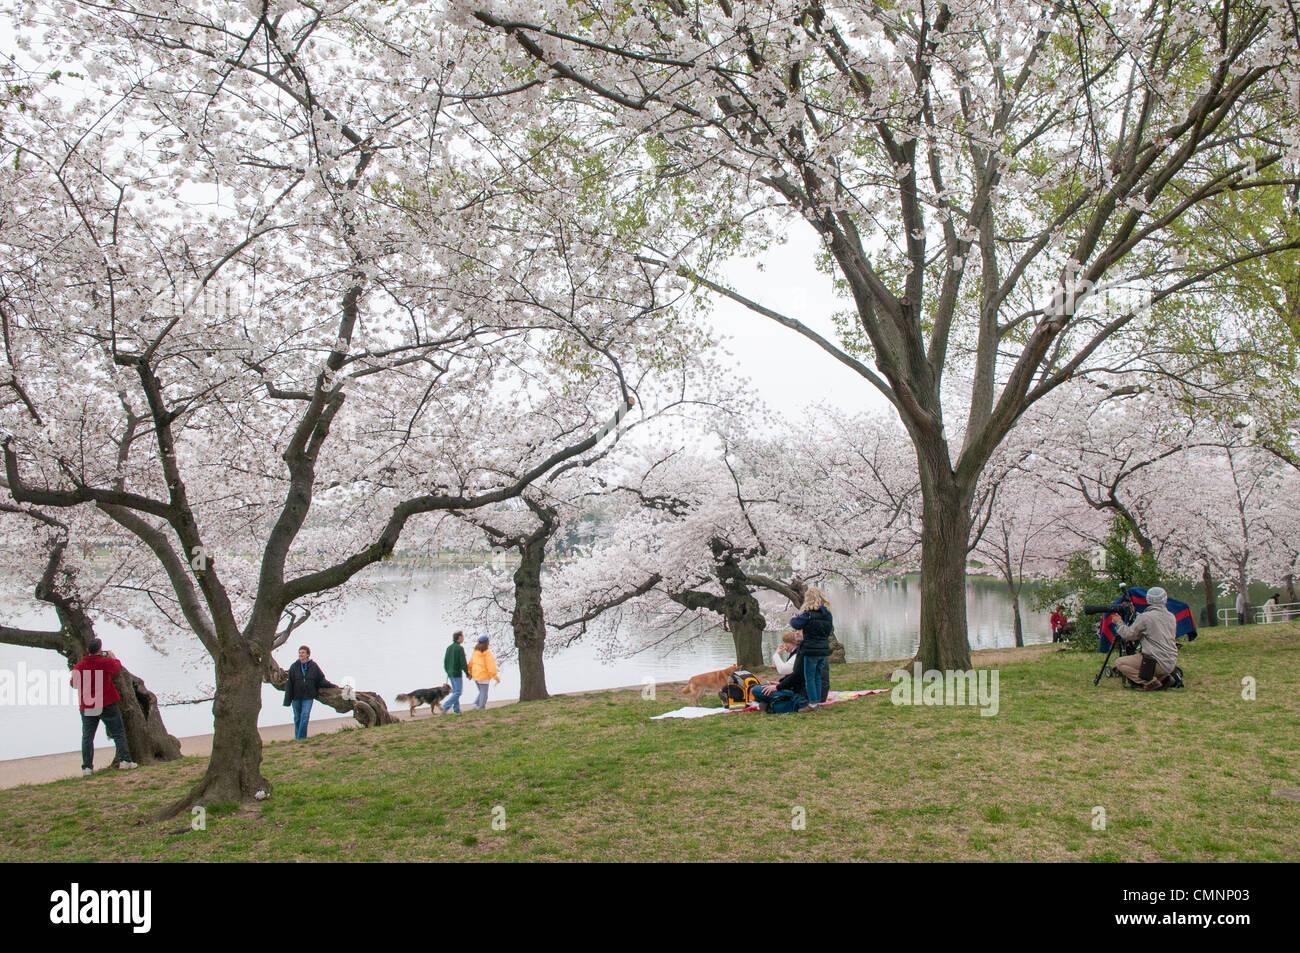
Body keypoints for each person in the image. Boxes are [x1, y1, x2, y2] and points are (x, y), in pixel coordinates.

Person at [71, 638, 137, 774]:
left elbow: (74, 684)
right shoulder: (105, 662)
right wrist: (114, 658)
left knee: (88, 737)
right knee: (118, 732)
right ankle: (125, 761)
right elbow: (117, 668)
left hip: (88, 705)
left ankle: (87, 767)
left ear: (87, 651)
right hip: (106, 702)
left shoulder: (79, 666)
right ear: (100, 649)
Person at [1109, 585, 1179, 690]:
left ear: (1148, 599)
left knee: (1120, 662)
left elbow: (1129, 635)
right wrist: (1135, 614)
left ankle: (1150, 682)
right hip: (1170, 662)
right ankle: (1164, 677)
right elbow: (1152, 626)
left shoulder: (1145, 617)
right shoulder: (1171, 616)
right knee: (1143, 660)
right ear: (1164, 599)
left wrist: (1119, 623)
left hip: (1154, 662)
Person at [789, 587, 834, 711]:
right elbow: (830, 631)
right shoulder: (827, 615)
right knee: (818, 676)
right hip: (823, 650)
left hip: (810, 649)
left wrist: (793, 618)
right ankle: (817, 700)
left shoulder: (808, 615)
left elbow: (796, 624)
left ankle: (813, 704)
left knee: (810, 676)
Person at [282, 645, 335, 739]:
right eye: (299, 652)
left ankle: (300, 739)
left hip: (308, 697)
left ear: (308, 654)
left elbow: (321, 680)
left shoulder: (313, 666)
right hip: (296, 697)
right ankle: (298, 738)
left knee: (305, 716)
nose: (300, 654)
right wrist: (287, 700)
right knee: (297, 718)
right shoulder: (294, 667)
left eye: (303, 652)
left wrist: (332, 686)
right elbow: (289, 684)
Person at [442, 630, 471, 713]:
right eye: (462, 636)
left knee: (455, 691)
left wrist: (447, 671)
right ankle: (446, 706)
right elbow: (463, 662)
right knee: (458, 692)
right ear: (459, 638)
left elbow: (445, 662)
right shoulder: (459, 648)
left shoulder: (449, 648)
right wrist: (467, 673)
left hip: (450, 673)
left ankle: (456, 709)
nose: (463, 638)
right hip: (457, 673)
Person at [468, 635, 500, 710]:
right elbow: (491, 666)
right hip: (483, 676)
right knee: (484, 693)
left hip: (476, 675)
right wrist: (495, 677)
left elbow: (471, 664)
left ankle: (476, 704)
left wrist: (470, 673)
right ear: (487, 642)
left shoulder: (475, 652)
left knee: (482, 692)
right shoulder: (487, 653)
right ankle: (481, 707)